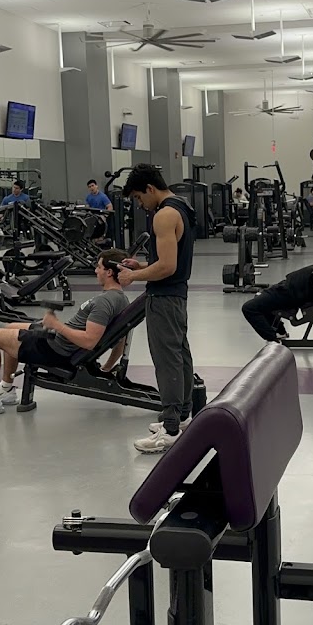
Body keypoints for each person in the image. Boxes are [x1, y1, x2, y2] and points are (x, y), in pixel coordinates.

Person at [0, 249, 130, 416]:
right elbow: (121, 338)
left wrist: (56, 325)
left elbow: (89, 341)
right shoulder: (121, 299)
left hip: (55, 349)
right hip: (61, 342)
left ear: (109, 272)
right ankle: (6, 389)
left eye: (99, 267)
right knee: (10, 328)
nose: (96, 270)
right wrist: (107, 368)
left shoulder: (104, 302)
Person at [118, 165, 196, 454]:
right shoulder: (182, 206)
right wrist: (140, 265)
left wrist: (133, 276)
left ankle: (171, 428)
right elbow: (170, 256)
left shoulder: (163, 215)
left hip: (164, 296)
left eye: (139, 198)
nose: (140, 204)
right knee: (179, 354)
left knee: (167, 360)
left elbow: (167, 266)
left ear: (150, 188)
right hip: (177, 294)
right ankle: (183, 416)